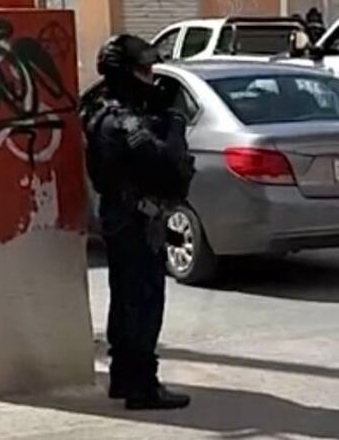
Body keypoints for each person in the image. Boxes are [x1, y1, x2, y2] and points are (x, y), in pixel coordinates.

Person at [81, 34, 194, 410]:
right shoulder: (123, 122)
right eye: (144, 70)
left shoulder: (101, 110)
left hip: (125, 217)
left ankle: (125, 378)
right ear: (126, 73)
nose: (151, 77)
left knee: (127, 301)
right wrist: (175, 122)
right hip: (135, 220)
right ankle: (142, 385)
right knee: (142, 305)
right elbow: (168, 166)